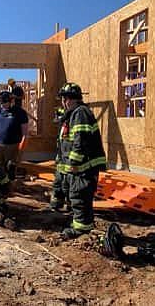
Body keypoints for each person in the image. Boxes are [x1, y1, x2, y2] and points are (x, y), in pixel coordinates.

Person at [55, 82, 107, 240]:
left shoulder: (80, 113)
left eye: (68, 99)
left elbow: (80, 141)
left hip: (84, 167)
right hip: (77, 167)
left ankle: (82, 230)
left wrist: (73, 163)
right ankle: (80, 224)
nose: (64, 102)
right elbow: (66, 141)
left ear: (76, 99)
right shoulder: (72, 114)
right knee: (75, 196)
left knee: (80, 196)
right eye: (63, 99)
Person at [0, 90, 28, 180]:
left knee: (10, 168)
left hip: (12, 146)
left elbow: (24, 130)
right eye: (1, 103)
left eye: (4, 103)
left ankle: (9, 186)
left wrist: (23, 141)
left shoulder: (20, 112)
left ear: (11, 101)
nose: (2, 105)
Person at [49, 107, 71, 212]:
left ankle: (69, 204)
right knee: (58, 181)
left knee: (67, 184)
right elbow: (61, 141)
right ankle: (56, 203)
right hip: (61, 158)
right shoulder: (62, 127)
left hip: (68, 160)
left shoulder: (71, 124)